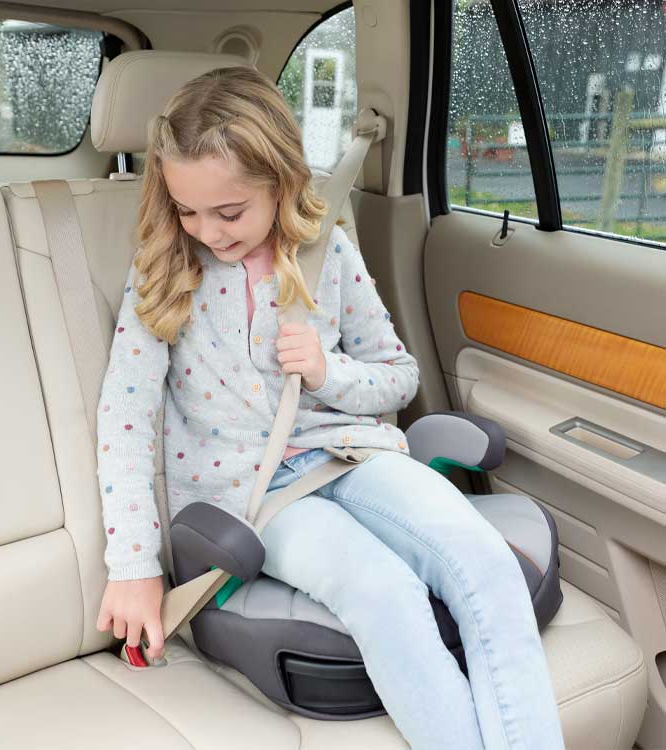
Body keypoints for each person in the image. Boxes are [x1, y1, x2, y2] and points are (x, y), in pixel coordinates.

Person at [94, 65, 564, 750]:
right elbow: (124, 420)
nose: (210, 232)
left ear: (281, 182)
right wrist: (132, 563)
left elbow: (397, 378)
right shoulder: (164, 272)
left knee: (484, 562)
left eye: (230, 212)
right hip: (250, 496)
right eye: (187, 211)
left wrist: (326, 372)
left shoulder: (327, 252)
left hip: (353, 454)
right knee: (382, 593)